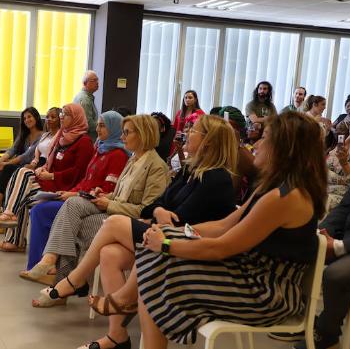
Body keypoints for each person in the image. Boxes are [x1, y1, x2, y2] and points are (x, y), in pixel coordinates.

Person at [31, 115, 239, 349]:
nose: (187, 132)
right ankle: (117, 337)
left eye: (193, 130)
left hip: (185, 244)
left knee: (112, 223)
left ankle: (74, 279)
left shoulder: (215, 178)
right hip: (163, 233)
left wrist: (154, 210)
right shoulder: (189, 170)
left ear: (209, 141)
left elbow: (182, 219)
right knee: (109, 254)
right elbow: (158, 203)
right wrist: (159, 209)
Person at [134, 111, 325, 349]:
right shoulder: (275, 188)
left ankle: (123, 308)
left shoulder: (284, 197)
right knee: (158, 262)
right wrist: (173, 233)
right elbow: (224, 225)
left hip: (266, 293)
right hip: (250, 275)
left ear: (284, 148)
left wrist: (166, 244)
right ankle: (126, 309)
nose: (257, 144)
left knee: (160, 269)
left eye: (265, 137)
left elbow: (222, 247)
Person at [29, 114, 170, 307]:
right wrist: (104, 196)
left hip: (127, 221)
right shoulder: (134, 159)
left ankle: (59, 274)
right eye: (122, 132)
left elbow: (147, 210)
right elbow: (120, 194)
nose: (122, 137)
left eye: (127, 133)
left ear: (143, 134)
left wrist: (109, 204)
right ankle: (60, 275)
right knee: (73, 214)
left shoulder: (156, 167)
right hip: (113, 213)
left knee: (72, 218)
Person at [21, 111, 129, 284]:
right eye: (98, 124)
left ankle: (48, 266)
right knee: (38, 206)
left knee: (41, 211)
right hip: (78, 196)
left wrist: (75, 193)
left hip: (92, 202)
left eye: (103, 126)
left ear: (114, 128)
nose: (98, 129)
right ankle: (43, 266)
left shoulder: (117, 154)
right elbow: (85, 180)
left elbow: (108, 189)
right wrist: (71, 191)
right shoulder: (100, 149)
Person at [0, 103, 95, 251]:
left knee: (22, 193)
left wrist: (51, 175)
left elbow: (78, 172)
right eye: (61, 114)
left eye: (65, 115)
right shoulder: (62, 137)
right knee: (22, 172)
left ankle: (14, 237)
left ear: (76, 118)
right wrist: (43, 168)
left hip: (66, 186)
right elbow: (51, 160)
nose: (61, 117)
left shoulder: (84, 142)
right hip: (51, 179)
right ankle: (9, 216)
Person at [293, 184, 350, 349]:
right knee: (302, 249)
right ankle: (303, 318)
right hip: (347, 239)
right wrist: (320, 235)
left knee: (336, 275)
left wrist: (341, 246)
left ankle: (327, 334)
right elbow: (344, 209)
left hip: (348, 244)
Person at [0, 107, 48, 218]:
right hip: (18, 166)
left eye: (29, 117)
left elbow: (27, 156)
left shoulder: (43, 136)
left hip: (30, 168)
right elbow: (12, 150)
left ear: (36, 117)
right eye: (24, 118)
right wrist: (0, 161)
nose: (27, 120)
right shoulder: (24, 135)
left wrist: (6, 164)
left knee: (4, 171)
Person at [171, 90, 205, 156]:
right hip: (178, 140)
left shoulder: (200, 113)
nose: (187, 100)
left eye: (190, 98)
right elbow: (175, 128)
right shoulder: (180, 112)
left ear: (195, 99)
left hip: (190, 140)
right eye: (185, 98)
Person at [73, 70, 100, 141]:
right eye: (94, 80)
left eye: (97, 80)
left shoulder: (85, 97)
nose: (97, 83)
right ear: (85, 83)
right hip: (85, 139)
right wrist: (102, 125)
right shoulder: (84, 99)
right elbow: (88, 124)